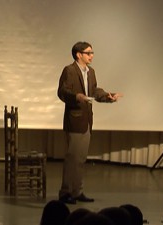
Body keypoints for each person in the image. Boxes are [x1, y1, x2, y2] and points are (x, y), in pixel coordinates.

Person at [57, 41, 122, 204]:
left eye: (92, 52)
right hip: (75, 119)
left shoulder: (91, 72)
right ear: (79, 54)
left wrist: (108, 96)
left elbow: (94, 91)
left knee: (81, 159)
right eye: (89, 53)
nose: (92, 55)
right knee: (72, 157)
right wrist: (76, 96)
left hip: (87, 121)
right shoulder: (69, 70)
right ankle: (65, 192)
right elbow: (62, 91)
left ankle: (78, 191)